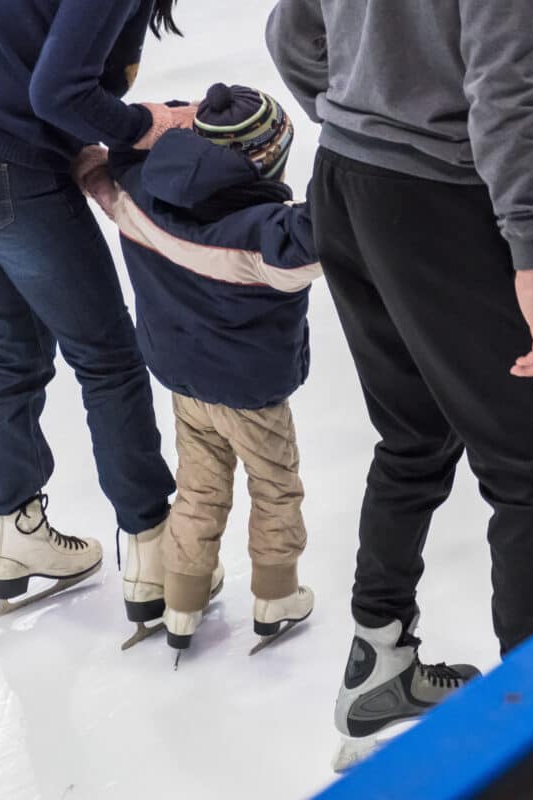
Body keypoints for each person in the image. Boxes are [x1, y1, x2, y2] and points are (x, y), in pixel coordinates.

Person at [267, 0, 533, 770]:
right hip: (434, 200)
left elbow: (290, 31)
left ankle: (380, 662)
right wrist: (530, 263)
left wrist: (357, 115)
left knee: (413, 435)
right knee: (525, 468)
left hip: (343, 182)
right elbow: (502, 92)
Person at [0, 0, 194, 632]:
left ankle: (17, 529)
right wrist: (143, 124)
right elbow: (59, 90)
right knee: (108, 358)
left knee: (14, 345)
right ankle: (153, 548)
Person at [89, 84, 320, 657]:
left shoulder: (139, 193)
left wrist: (164, 129)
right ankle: (275, 596)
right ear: (267, 162)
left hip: (186, 384)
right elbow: (333, 235)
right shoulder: (267, 236)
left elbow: (106, 165)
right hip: (252, 395)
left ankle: (183, 602)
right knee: (274, 487)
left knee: (198, 488)